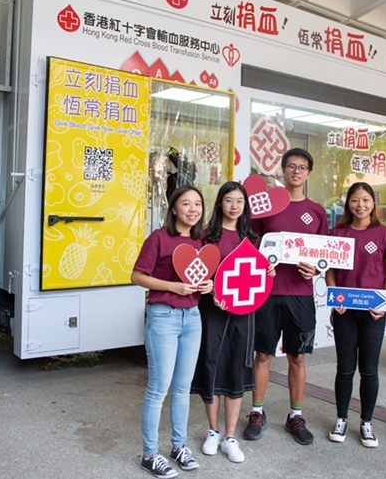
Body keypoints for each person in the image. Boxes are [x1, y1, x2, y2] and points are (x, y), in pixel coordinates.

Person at [244, 148, 328, 445]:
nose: (296, 171)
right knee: (263, 354)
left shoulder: (317, 211)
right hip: (267, 292)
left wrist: (314, 271)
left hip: (300, 295)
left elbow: (323, 256)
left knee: (297, 357)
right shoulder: (267, 204)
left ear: (308, 173)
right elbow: (252, 243)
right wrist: (258, 263)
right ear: (282, 169)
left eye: (302, 167)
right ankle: (257, 411)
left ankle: (295, 415)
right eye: (291, 166)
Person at [132, 185, 213, 478]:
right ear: (174, 208)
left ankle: (178, 446)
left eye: (198, 205)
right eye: (186, 204)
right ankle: (149, 454)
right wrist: (172, 287)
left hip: (192, 317)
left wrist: (210, 285)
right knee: (158, 389)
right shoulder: (158, 238)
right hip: (163, 316)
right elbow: (137, 276)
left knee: (182, 389)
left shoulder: (202, 241)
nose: (193, 210)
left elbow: (207, 275)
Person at [192, 181, 275, 464]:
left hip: (244, 314)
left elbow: (256, 276)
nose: (234, 206)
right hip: (213, 311)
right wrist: (212, 291)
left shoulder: (251, 238)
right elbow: (198, 273)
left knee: (238, 366)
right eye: (229, 200)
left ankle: (230, 436)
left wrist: (269, 271)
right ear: (220, 204)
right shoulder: (206, 236)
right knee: (211, 365)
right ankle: (212, 431)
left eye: (240, 201)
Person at [325, 182, 386, 448]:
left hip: (372, 313)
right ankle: (341, 418)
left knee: (369, 370)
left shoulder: (384, 234)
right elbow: (330, 270)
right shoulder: (338, 232)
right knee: (345, 369)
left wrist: (384, 304)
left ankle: (366, 422)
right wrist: (334, 297)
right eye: (355, 200)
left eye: (365, 200)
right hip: (345, 311)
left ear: (373, 204)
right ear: (348, 204)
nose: (360, 205)